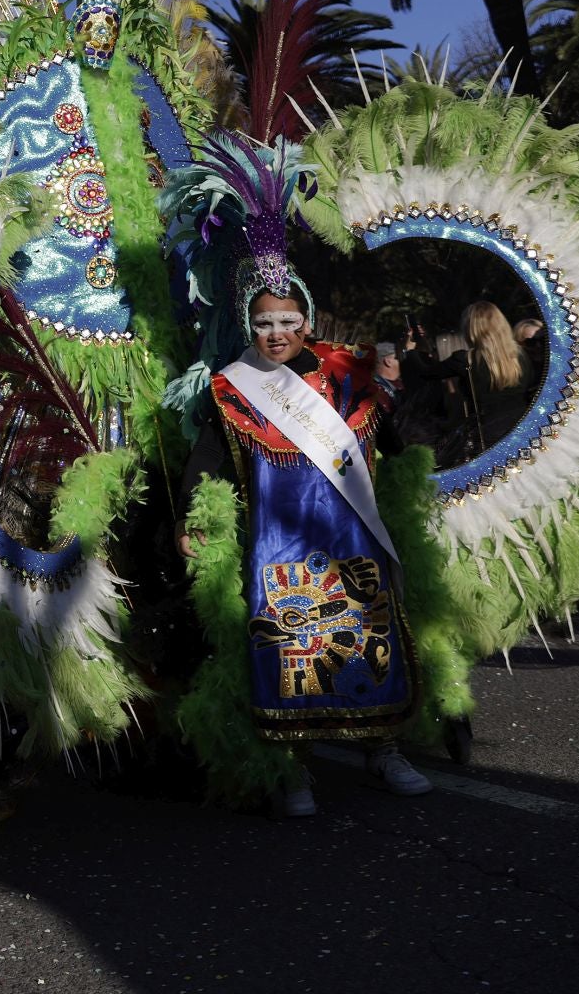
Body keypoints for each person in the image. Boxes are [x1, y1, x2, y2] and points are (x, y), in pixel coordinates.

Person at [180, 274, 434, 818]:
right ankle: (290, 764)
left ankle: (382, 749)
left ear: (308, 323)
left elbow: (390, 441)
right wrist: (189, 517)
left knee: (369, 638)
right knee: (287, 651)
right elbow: (206, 457)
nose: (275, 333)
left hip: (353, 538)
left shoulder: (347, 375)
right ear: (251, 328)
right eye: (264, 323)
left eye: (287, 322)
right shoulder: (234, 387)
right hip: (278, 543)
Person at [402, 301, 535, 456]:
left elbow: (425, 372)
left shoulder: (465, 359)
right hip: (524, 431)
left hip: (486, 438)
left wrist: (411, 351)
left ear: (471, 329)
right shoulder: (521, 356)